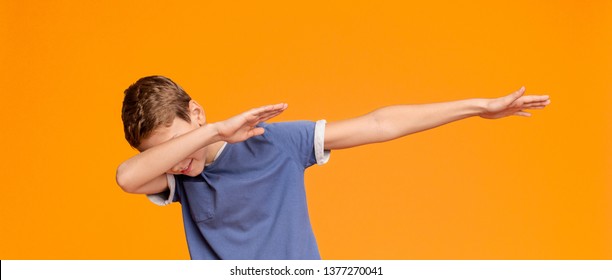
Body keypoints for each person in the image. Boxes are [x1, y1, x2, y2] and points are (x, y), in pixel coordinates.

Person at [116, 75, 550, 259]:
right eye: (168, 154)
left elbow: (380, 123)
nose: (179, 160)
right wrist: (211, 134)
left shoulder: (274, 143)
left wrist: (478, 107)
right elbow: (126, 177)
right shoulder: (179, 176)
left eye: (180, 142)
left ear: (197, 112)